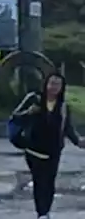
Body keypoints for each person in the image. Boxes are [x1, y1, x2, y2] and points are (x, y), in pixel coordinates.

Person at [11, 72, 83, 218]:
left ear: (62, 87)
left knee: (49, 182)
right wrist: (28, 112)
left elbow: (67, 128)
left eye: (58, 84)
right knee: (39, 181)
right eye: (52, 83)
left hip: (54, 150)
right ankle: (41, 212)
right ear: (46, 84)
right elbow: (15, 116)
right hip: (33, 148)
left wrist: (78, 141)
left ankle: (46, 211)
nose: (54, 87)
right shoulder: (34, 99)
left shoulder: (63, 106)